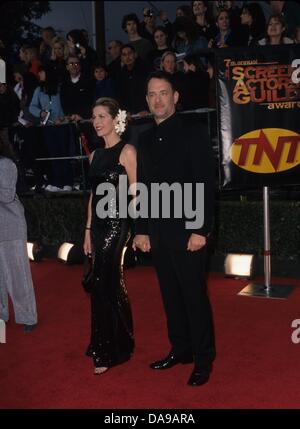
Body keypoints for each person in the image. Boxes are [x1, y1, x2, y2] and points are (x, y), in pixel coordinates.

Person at [133, 71, 216, 386]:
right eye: (152, 94)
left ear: (175, 96)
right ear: (147, 100)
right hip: (158, 230)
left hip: (188, 231)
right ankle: (180, 349)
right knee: (170, 295)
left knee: (194, 295)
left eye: (163, 93)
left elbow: (204, 182)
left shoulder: (192, 131)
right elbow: (142, 187)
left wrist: (200, 229)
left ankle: (204, 359)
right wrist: (141, 229)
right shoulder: (144, 137)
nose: (157, 100)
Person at [83, 97, 136, 374]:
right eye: (94, 117)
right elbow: (93, 196)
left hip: (117, 226)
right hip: (100, 225)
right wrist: (88, 229)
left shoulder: (127, 152)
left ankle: (108, 350)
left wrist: (139, 230)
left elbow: (138, 192)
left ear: (116, 119)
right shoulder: (94, 155)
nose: (97, 122)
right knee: (109, 283)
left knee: (103, 281)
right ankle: (115, 339)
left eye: (102, 116)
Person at [0, 136, 37, 332]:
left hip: (10, 226)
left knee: (17, 275)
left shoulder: (5, 164)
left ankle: (28, 316)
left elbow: (6, 195)